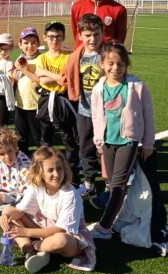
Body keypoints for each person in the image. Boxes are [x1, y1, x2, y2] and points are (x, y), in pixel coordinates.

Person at [88, 41, 155, 240]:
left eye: (120, 64)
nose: (115, 68)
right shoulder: (98, 88)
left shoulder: (136, 86)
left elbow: (148, 115)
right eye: (111, 63)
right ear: (102, 63)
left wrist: (148, 144)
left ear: (126, 65)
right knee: (111, 184)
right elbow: (95, 116)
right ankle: (119, 216)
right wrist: (98, 141)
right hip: (107, 143)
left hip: (127, 141)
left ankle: (104, 227)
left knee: (118, 185)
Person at [0, 147, 96, 273]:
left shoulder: (70, 194)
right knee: (8, 211)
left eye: (59, 168)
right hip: (44, 227)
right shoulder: (36, 187)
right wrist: (4, 216)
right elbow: (20, 211)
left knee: (60, 240)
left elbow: (60, 229)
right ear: (40, 172)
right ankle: (28, 250)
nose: (56, 174)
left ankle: (34, 247)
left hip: (71, 237)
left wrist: (26, 232)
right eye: (50, 170)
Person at [63, 14, 105, 198]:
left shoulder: (108, 55)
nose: (92, 39)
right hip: (84, 110)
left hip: (107, 113)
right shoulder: (76, 57)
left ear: (102, 33)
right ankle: (89, 184)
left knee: (107, 149)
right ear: (80, 35)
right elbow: (66, 79)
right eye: (88, 35)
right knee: (86, 148)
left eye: (96, 34)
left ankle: (110, 185)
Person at [34, 21, 79, 184]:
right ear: (45, 37)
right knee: (45, 138)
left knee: (69, 138)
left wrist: (46, 73)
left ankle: (72, 174)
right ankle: (43, 171)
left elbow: (64, 80)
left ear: (63, 37)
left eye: (58, 36)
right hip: (46, 99)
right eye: (51, 36)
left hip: (63, 99)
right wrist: (55, 77)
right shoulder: (41, 58)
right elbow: (42, 80)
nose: (54, 40)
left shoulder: (68, 57)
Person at [11, 27, 42, 155]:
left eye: (33, 42)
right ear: (20, 45)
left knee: (38, 136)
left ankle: (42, 160)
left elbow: (40, 80)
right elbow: (16, 77)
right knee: (21, 137)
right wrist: (14, 71)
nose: (30, 46)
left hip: (36, 104)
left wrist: (25, 70)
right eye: (26, 43)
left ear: (38, 44)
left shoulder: (41, 59)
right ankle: (23, 159)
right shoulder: (20, 59)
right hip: (20, 104)